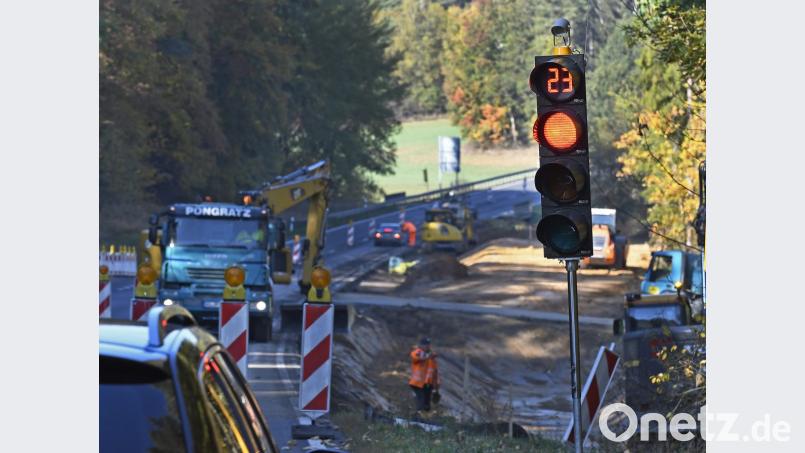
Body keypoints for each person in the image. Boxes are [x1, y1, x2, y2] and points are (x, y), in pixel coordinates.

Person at [409, 338, 439, 415]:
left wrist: (436, 389)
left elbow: (435, 373)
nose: (427, 346)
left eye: (428, 345)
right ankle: (418, 415)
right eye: (425, 344)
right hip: (417, 382)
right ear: (421, 345)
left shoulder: (432, 359)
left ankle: (424, 418)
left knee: (427, 405)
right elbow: (416, 357)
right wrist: (429, 356)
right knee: (421, 399)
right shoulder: (418, 352)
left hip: (428, 384)